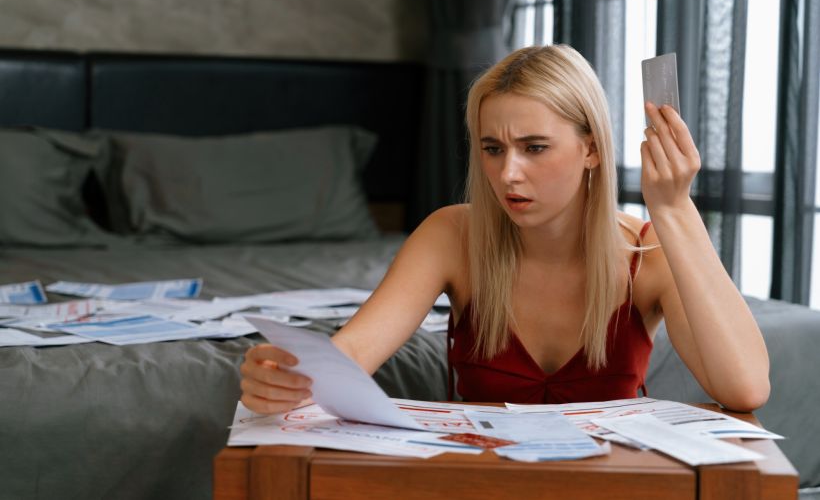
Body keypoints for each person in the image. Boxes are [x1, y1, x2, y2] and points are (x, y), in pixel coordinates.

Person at [239, 44, 770, 415]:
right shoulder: (452, 235)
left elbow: (744, 388)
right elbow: (351, 355)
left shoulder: (646, 253)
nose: (507, 173)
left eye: (534, 148)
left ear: (590, 148)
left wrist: (675, 209)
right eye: (493, 149)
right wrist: (287, 377)